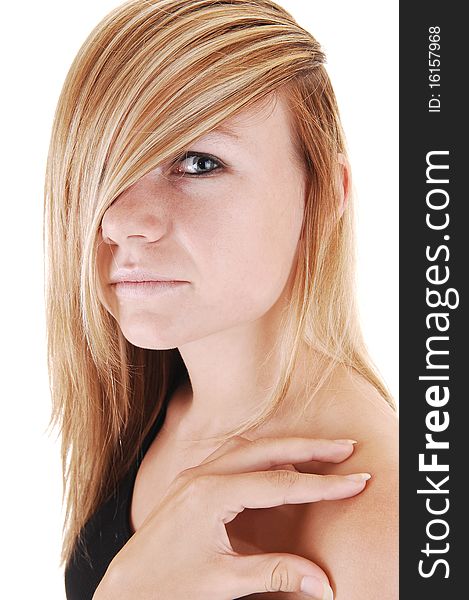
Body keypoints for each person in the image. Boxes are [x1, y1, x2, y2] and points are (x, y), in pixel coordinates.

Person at [44, 1, 398, 598]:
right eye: (104, 167)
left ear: (324, 196)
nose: (121, 220)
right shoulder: (156, 405)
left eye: (198, 162)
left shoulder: (383, 528)